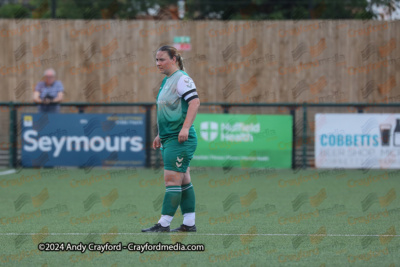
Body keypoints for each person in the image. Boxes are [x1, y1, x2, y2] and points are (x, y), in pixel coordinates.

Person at [142, 45, 200, 233]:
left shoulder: (182, 78)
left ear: (174, 59)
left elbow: (195, 102)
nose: (158, 63)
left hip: (180, 139)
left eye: (162, 59)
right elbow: (168, 110)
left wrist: (185, 128)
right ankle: (189, 224)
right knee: (183, 181)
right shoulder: (167, 81)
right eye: (156, 60)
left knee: (171, 181)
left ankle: (164, 224)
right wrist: (160, 134)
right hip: (169, 138)